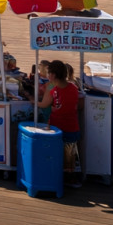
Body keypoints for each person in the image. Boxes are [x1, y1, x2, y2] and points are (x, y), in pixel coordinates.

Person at [37, 60, 82, 188]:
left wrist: (32, 101)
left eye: (49, 73)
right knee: (70, 158)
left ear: (54, 75)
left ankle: (62, 180)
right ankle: (70, 179)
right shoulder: (73, 88)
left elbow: (45, 104)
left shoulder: (53, 91)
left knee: (59, 156)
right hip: (72, 128)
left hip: (57, 129)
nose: (47, 75)